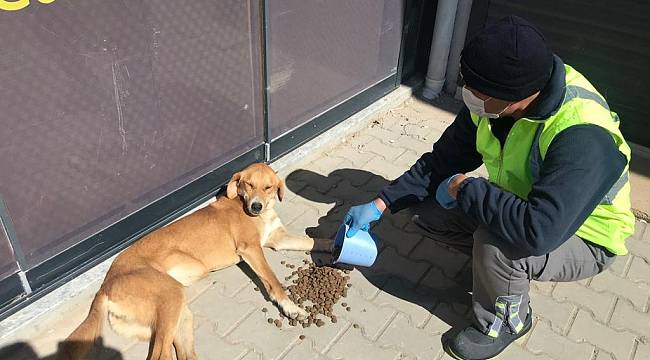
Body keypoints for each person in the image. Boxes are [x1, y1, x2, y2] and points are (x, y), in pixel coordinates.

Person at [343, 15, 635, 360]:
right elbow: (442, 161)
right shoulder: (493, 101)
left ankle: (508, 320)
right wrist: (382, 203)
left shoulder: (583, 135)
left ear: (516, 97)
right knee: (429, 212)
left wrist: (468, 189)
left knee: (497, 244)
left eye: (474, 89)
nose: (466, 93)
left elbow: (537, 232)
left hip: (584, 236)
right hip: (530, 206)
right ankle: (493, 272)